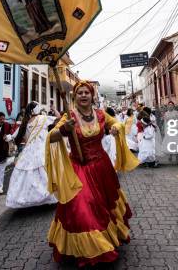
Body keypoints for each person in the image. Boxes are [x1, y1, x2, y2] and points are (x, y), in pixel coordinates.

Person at [46, 81, 139, 266]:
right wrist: (64, 129)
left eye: (86, 92)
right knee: (82, 204)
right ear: (74, 96)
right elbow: (52, 136)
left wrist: (115, 129)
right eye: (79, 92)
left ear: (92, 95)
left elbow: (119, 125)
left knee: (102, 205)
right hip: (79, 169)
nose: (83, 95)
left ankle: (107, 239)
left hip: (101, 168)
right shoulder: (69, 116)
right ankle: (93, 247)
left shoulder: (100, 114)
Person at [5, 102, 57, 208]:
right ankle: (47, 196)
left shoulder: (25, 122)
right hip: (42, 149)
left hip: (28, 151)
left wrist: (8, 137)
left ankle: (27, 198)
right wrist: (54, 109)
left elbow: (13, 136)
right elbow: (59, 119)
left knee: (27, 175)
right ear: (36, 109)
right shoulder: (43, 118)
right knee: (43, 173)